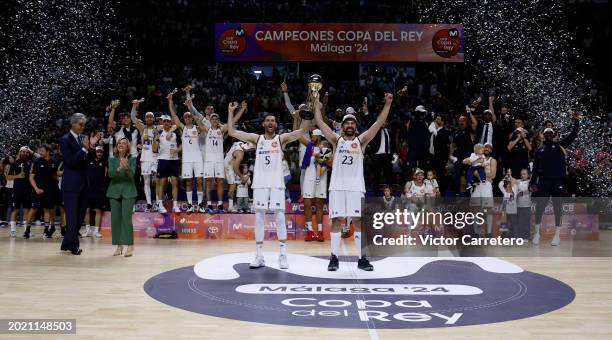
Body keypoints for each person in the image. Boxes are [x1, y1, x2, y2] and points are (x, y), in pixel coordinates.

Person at [314, 91, 393, 272]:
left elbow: (378, 123)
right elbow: (320, 123)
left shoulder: (361, 140)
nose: (350, 124)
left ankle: (361, 258)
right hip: (337, 187)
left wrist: (387, 104)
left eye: (352, 122)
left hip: (356, 188)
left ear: (356, 126)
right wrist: (316, 103)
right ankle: (333, 257)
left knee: (358, 221)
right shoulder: (336, 140)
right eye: (347, 122)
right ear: (342, 126)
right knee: (336, 221)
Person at [227, 101, 309, 270]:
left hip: (276, 183)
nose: (271, 123)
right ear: (264, 124)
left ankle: (283, 255)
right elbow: (232, 131)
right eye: (268, 120)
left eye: (273, 121)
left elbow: (301, 131)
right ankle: (259, 255)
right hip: (260, 184)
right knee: (259, 218)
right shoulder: (256, 139)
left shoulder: (281, 139)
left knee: (279, 217)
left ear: (276, 124)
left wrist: (307, 116)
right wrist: (230, 112)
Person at [530, 112, 580, 246]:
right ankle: (537, 234)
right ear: (543, 135)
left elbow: (573, 135)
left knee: (558, 207)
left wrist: (576, 121)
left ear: (554, 135)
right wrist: (532, 182)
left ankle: (557, 235)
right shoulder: (539, 150)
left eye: (550, 133)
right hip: (543, 182)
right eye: (546, 133)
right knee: (540, 207)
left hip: (558, 181)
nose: (548, 135)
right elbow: (534, 169)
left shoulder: (560, 146)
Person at [187, 100, 246, 213]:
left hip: (219, 160)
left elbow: (233, 121)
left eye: (216, 118)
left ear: (218, 120)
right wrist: (190, 104)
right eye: (212, 118)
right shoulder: (206, 130)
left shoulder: (222, 130)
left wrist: (241, 109)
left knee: (219, 182)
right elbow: (194, 116)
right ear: (210, 120)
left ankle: (219, 204)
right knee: (208, 182)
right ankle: (209, 204)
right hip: (209, 160)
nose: (214, 120)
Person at [60, 113, 101, 255]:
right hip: (71, 184)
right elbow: (70, 162)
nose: (82, 127)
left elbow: (88, 159)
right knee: (72, 216)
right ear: (72, 123)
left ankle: (66, 242)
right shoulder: (65, 139)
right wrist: (84, 149)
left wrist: (91, 146)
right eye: (80, 124)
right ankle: (73, 245)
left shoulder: (83, 138)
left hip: (84, 183)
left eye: (84, 125)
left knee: (80, 215)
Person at [168, 93, 208, 213]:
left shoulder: (197, 128)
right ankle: (190, 205)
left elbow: (205, 130)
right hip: (186, 159)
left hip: (197, 157)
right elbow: (174, 115)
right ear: (184, 119)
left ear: (191, 118)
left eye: (189, 116)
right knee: (189, 181)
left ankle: (200, 204)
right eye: (185, 117)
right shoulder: (182, 128)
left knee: (200, 180)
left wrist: (197, 119)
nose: (187, 118)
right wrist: (170, 102)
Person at [297, 128, 330, 242]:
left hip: (321, 176)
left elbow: (328, 162)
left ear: (319, 136)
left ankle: (320, 232)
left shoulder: (325, 146)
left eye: (314, 136)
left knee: (319, 203)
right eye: (311, 136)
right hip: (308, 176)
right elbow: (298, 135)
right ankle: (310, 231)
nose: (312, 138)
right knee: (307, 202)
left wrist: (318, 155)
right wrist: (296, 119)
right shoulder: (309, 145)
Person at [106, 138, 137, 257]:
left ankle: (130, 245)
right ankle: (119, 246)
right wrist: (119, 168)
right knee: (116, 220)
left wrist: (126, 167)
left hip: (129, 192)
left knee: (126, 219)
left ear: (127, 147)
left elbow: (132, 174)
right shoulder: (112, 159)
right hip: (114, 192)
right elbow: (111, 175)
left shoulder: (132, 159)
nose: (121, 145)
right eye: (119, 143)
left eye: (124, 143)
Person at [130, 99, 159, 212]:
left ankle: (157, 202)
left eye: (151, 117)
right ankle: (149, 204)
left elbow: (174, 125)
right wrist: (134, 106)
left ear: (154, 118)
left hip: (155, 157)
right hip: (145, 157)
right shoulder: (142, 128)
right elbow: (133, 117)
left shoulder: (158, 128)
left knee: (156, 181)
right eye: (147, 117)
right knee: (146, 181)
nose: (149, 118)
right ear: (145, 118)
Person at [29, 144, 60, 239]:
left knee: (47, 209)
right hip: (37, 190)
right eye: (39, 150)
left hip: (50, 191)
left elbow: (55, 176)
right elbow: (31, 177)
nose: (40, 152)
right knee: (33, 209)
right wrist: (36, 189)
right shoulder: (36, 162)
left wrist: (59, 176)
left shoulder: (53, 162)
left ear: (48, 151)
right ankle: (27, 230)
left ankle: (46, 230)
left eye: (42, 150)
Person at [153, 114, 182, 214]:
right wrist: (155, 139)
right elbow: (154, 149)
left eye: (168, 121)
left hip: (174, 160)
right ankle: (160, 204)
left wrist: (177, 150)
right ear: (162, 123)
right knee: (162, 182)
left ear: (170, 123)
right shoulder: (159, 132)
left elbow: (181, 145)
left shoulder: (175, 133)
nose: (166, 123)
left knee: (175, 182)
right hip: (162, 159)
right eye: (164, 121)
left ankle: (175, 205)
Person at [8, 147, 34, 238]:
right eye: (23, 152)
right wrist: (18, 176)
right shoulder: (14, 163)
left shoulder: (30, 163)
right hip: (17, 190)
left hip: (28, 189)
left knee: (27, 210)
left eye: (26, 152)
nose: (25, 153)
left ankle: (26, 231)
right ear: (20, 152)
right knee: (15, 210)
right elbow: (8, 177)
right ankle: (13, 231)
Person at [84, 146, 107, 238]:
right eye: (98, 152)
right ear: (95, 152)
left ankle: (96, 231)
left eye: (101, 152)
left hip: (99, 191)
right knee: (87, 210)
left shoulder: (105, 162)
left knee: (98, 211)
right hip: (88, 190)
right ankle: (87, 230)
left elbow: (106, 175)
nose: (99, 153)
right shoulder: (88, 161)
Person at [516, 168, 532, 241]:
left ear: (528, 175)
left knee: (526, 221)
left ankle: (526, 237)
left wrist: (520, 193)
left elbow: (529, 190)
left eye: (524, 174)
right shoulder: (518, 181)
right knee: (519, 221)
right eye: (521, 174)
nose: (522, 175)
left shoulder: (530, 182)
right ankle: (520, 236)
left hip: (527, 205)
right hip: (518, 205)